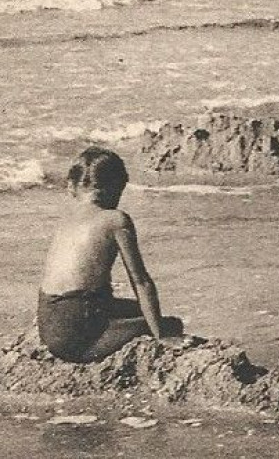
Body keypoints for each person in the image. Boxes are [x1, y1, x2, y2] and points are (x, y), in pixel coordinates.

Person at [38, 147, 183, 362]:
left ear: (73, 188)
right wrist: (161, 335)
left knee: (138, 310)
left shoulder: (65, 219)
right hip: (76, 335)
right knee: (170, 323)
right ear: (116, 188)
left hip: (49, 323)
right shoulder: (116, 219)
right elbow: (141, 282)